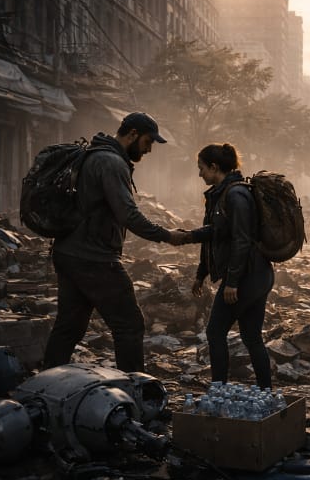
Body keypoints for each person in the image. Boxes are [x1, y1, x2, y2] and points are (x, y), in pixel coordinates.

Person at [43, 112, 187, 373]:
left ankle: (45, 384)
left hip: (68, 252)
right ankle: (136, 388)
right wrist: (167, 235)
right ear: (132, 134)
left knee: (69, 327)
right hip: (94, 258)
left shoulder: (94, 154)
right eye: (147, 142)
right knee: (129, 325)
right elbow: (128, 214)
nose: (149, 149)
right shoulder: (111, 162)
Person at [189, 143, 275, 388]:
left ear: (214, 167)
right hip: (257, 275)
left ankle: (218, 391)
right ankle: (265, 392)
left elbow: (241, 240)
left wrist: (233, 282)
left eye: (201, 168)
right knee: (251, 336)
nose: (200, 174)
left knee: (215, 332)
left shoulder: (236, 195)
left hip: (247, 276)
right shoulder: (222, 194)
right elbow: (215, 236)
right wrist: (201, 274)